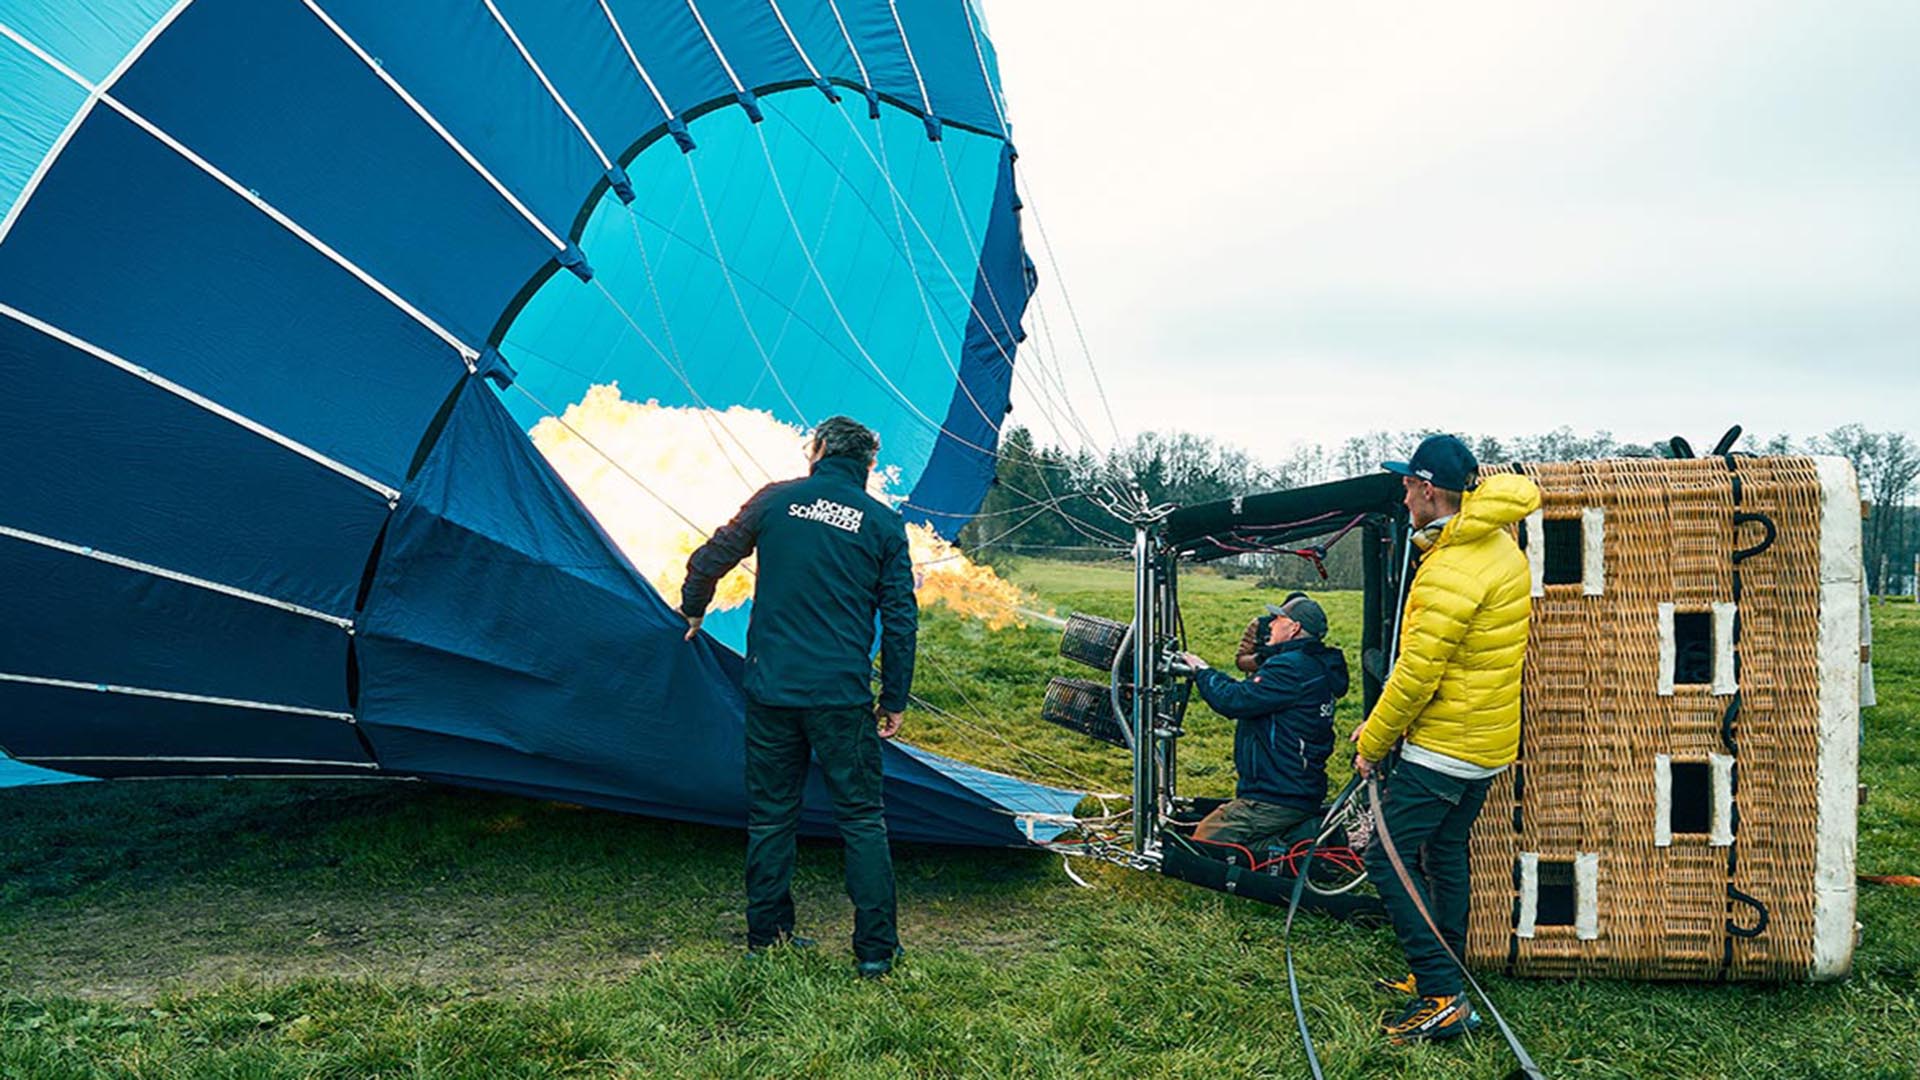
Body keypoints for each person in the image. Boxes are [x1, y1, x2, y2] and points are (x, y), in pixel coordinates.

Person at [680, 415, 915, 979]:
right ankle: (876, 951)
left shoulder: (774, 501)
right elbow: (901, 620)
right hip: (840, 695)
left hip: (771, 688)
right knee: (861, 818)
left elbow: (708, 559)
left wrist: (694, 608)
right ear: (868, 465)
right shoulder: (884, 524)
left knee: (771, 815)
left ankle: (767, 936)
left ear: (820, 449)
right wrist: (896, 697)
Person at [1350, 433, 1539, 1043]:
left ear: (1429, 490)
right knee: (1444, 853)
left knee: (1385, 854)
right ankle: (1443, 969)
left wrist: (1372, 741)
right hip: (1485, 745)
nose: (1403, 496)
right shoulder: (1497, 544)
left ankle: (1440, 994)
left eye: (1407, 485)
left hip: (1446, 748)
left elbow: (1417, 673)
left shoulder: (1451, 567)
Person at [1176, 593, 1347, 859]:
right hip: (1296, 788)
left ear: (1294, 628)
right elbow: (1252, 692)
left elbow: (1233, 700)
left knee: (1204, 841)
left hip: (1277, 795)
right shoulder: (1313, 666)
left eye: (1278, 618)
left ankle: (1298, 848)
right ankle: (1301, 833)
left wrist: (1202, 671)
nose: (1270, 624)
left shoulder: (1291, 668)